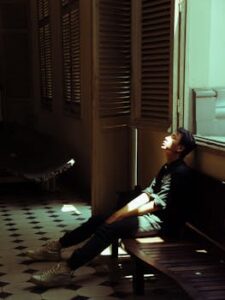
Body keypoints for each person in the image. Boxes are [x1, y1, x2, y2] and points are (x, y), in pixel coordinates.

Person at [27, 127, 196, 287]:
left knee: (109, 228)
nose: (166, 137)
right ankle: (57, 246)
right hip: (152, 217)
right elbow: (147, 194)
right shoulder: (167, 167)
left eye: (173, 137)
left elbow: (156, 205)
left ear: (180, 148)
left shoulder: (179, 173)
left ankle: (67, 269)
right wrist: (120, 213)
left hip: (164, 225)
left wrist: (119, 217)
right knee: (99, 219)